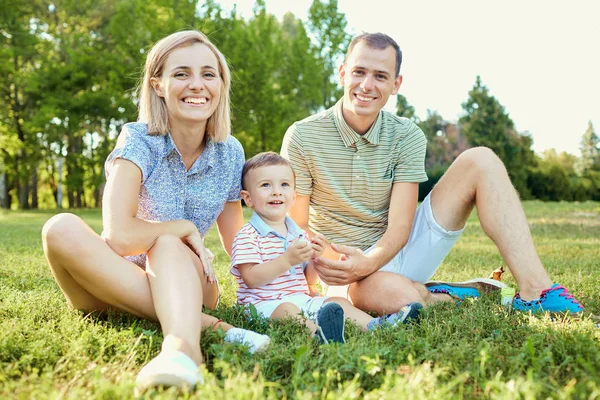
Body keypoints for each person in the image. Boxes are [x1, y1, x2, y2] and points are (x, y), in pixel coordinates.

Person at [280, 32, 583, 316]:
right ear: (343, 72)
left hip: (398, 248)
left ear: (396, 84)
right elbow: (299, 225)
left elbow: (400, 226)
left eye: (380, 76)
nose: (367, 85)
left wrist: (370, 261)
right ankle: (445, 293)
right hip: (342, 267)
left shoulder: (407, 134)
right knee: (402, 299)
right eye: (359, 72)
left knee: (481, 159)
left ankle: (537, 292)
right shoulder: (303, 136)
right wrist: (335, 267)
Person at [41, 30, 270, 392]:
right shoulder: (138, 140)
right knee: (59, 227)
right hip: (109, 279)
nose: (197, 85)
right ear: (158, 84)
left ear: (221, 85)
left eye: (208, 74)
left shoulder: (230, 152)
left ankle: (182, 350)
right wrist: (180, 226)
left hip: (192, 279)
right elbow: (118, 237)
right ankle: (216, 329)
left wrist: (286, 269)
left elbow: (237, 242)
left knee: (166, 243)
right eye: (181, 74)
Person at [230, 152, 423, 344]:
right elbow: (251, 278)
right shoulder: (248, 235)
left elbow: (308, 280)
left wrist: (315, 259)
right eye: (265, 185)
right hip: (262, 305)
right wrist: (286, 260)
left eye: (284, 185)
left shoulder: (297, 234)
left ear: (294, 195)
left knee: (336, 303)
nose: (276, 191)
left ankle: (377, 326)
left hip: (300, 298)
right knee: (288, 311)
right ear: (248, 198)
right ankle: (318, 336)